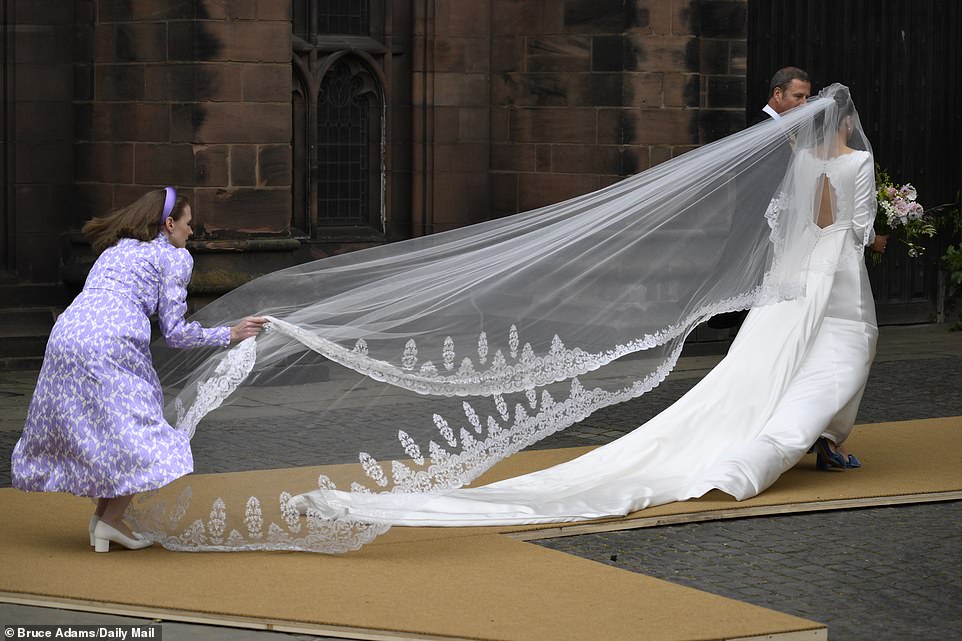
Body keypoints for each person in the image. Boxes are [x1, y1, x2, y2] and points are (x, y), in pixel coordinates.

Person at [286, 85, 880, 527]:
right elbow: (850, 227)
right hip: (838, 269)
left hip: (807, 269)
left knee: (786, 354)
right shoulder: (850, 162)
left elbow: (816, 221)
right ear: (850, 122)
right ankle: (791, 442)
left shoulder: (813, 161)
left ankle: (818, 438)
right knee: (843, 350)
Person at [11, 187, 267, 552]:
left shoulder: (116, 250)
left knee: (112, 431)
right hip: (112, 341)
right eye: (188, 224)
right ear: (169, 224)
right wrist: (230, 333)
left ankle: (105, 522)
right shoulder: (175, 258)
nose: (191, 232)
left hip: (67, 336)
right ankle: (110, 522)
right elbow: (175, 332)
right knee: (139, 432)